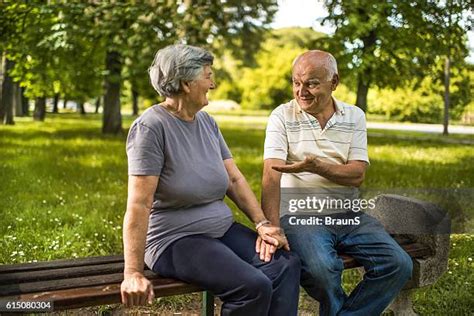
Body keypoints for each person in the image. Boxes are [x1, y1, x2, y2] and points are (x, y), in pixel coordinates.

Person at [120, 44, 300, 315]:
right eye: (207, 75)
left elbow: (234, 179)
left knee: (284, 265)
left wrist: (262, 223)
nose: (213, 83)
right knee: (251, 286)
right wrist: (132, 272)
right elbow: (139, 204)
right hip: (175, 239)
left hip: (220, 229)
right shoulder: (150, 128)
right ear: (185, 83)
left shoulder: (207, 123)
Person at [260, 50, 413, 316]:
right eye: (296, 82)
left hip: (348, 215)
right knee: (322, 271)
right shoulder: (282, 116)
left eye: (311, 83)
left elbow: (357, 174)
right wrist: (272, 227)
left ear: (334, 82)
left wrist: (317, 167)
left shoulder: (354, 116)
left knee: (398, 263)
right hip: (300, 215)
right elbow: (270, 176)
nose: (301, 91)